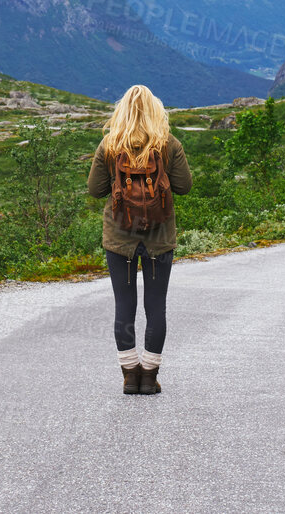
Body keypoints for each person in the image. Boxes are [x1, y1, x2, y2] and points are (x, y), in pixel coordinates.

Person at [87, 84, 192, 395]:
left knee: (125, 305)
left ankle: (130, 376)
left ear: (122, 112)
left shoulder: (109, 145)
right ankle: (149, 376)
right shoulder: (169, 144)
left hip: (119, 239)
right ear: (155, 111)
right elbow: (184, 187)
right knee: (155, 307)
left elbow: (95, 190)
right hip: (159, 239)